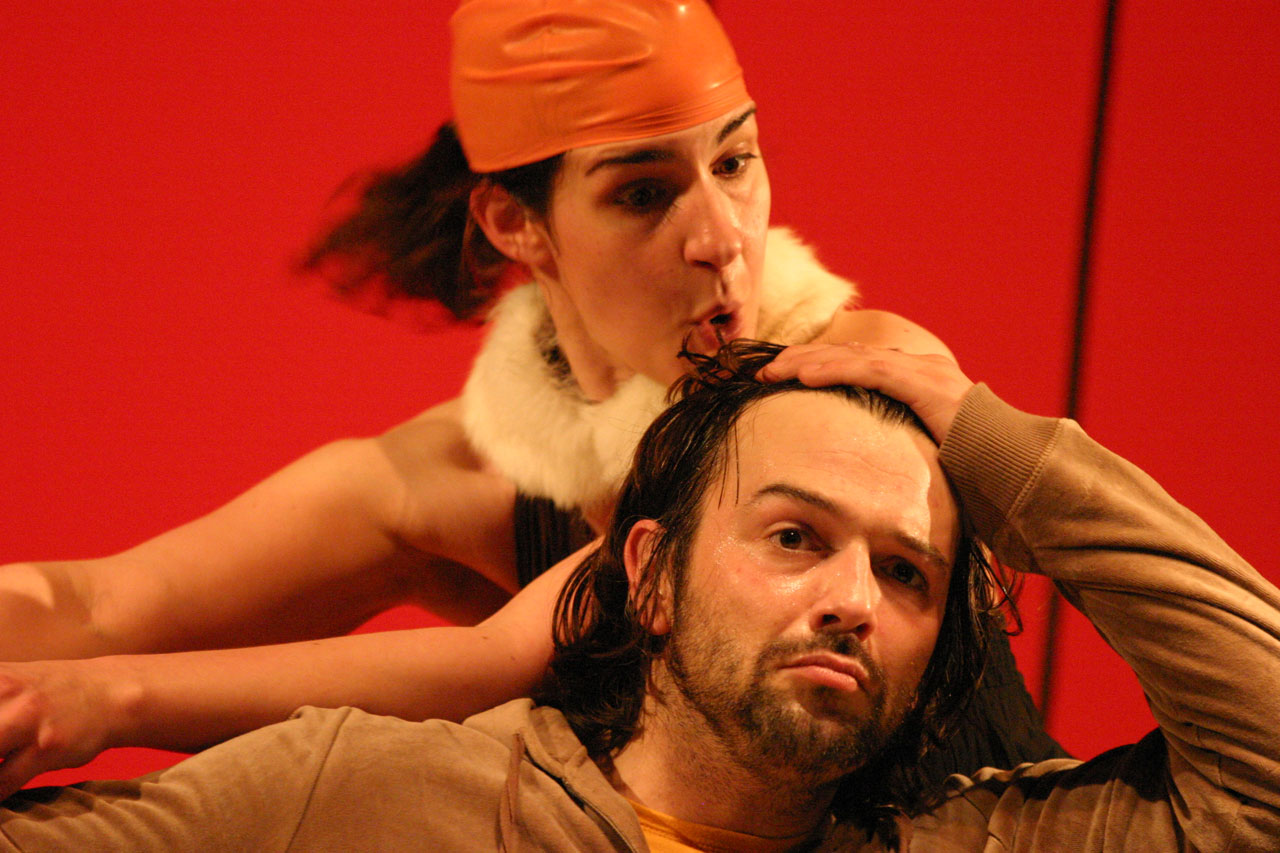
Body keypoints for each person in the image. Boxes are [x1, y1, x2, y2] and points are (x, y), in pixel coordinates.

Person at [0, 0, 1059, 796]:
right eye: (643, 192)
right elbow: (96, 607)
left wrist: (107, 701)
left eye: (735, 161)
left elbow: (489, 660)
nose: (719, 237)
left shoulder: (861, 369)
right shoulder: (460, 481)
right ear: (514, 223)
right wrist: (62, 682)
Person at [2, 341, 1276, 852]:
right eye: (794, 536)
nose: (850, 596)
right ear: (650, 574)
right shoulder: (366, 794)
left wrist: (990, 439)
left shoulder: (973, 845)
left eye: (905, 571)